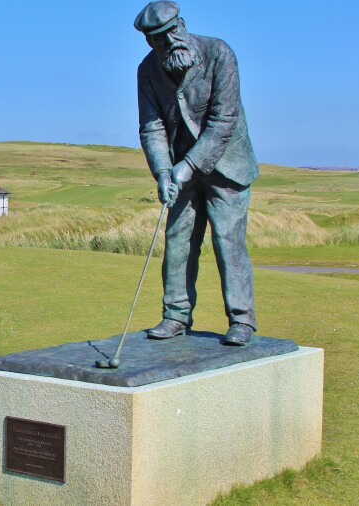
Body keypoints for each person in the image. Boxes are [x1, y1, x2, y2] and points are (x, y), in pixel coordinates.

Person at [134, 1, 258, 345]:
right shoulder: (148, 70)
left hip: (227, 166)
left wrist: (187, 166)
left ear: (183, 24)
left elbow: (223, 121)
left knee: (228, 241)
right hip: (177, 168)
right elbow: (152, 127)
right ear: (149, 41)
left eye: (172, 31)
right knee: (177, 241)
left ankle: (242, 320)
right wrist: (162, 171)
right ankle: (175, 316)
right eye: (158, 38)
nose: (168, 42)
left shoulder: (219, 54)